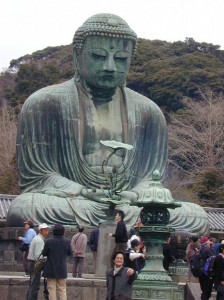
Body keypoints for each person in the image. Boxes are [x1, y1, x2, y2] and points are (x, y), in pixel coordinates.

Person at [6, 13, 167, 228]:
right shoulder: (43, 103)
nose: (110, 66)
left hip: (128, 203)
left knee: (192, 215)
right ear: (76, 56)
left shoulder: (150, 112)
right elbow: (38, 178)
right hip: (73, 200)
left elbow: (152, 179)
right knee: (25, 206)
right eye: (98, 56)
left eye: (120, 59)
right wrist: (82, 191)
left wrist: (133, 195)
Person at [42, 224, 71, 300]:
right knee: (62, 290)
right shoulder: (67, 241)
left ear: (53, 231)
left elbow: (44, 253)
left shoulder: (49, 241)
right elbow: (70, 253)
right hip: (62, 269)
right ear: (63, 232)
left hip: (50, 269)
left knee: (51, 289)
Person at [26, 223, 50, 300]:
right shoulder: (39, 240)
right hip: (35, 265)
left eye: (47, 230)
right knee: (34, 287)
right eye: (45, 230)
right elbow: (39, 257)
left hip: (33, 263)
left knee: (32, 286)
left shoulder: (39, 239)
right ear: (41, 230)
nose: (47, 232)